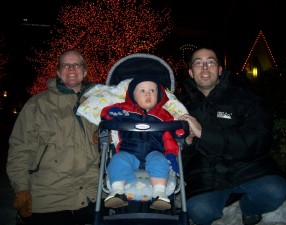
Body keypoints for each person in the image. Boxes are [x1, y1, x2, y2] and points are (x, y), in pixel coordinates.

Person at [178, 46, 286, 225]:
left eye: (211, 62)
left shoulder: (246, 98)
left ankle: (249, 207)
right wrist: (188, 142)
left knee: (276, 191)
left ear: (220, 70)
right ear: (191, 72)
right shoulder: (180, 107)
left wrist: (203, 133)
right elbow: (178, 158)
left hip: (248, 168)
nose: (205, 67)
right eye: (198, 63)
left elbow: (257, 141)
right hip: (207, 175)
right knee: (200, 212)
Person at [6, 50, 100, 225]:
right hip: (49, 198)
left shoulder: (98, 102)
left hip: (91, 196)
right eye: (65, 65)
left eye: (77, 64)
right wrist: (22, 189)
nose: (71, 68)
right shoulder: (38, 104)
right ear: (58, 72)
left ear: (85, 71)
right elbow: (20, 149)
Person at [100, 75, 179, 211]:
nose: (148, 93)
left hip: (154, 151)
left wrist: (171, 154)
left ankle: (159, 193)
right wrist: (113, 113)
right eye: (142, 91)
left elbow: (169, 138)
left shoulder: (164, 115)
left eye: (152, 91)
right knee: (118, 160)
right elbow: (105, 113)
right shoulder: (125, 110)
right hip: (128, 151)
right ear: (133, 96)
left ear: (159, 95)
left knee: (160, 161)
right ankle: (118, 192)